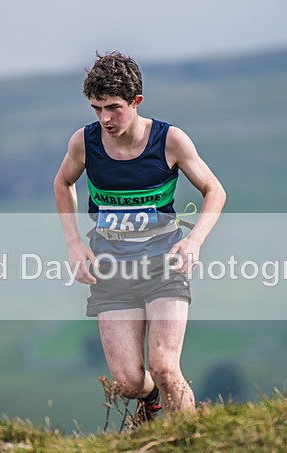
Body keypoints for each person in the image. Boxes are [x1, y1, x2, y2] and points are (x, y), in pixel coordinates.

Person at [53, 52, 226, 424]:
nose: (104, 118)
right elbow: (63, 182)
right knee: (130, 383)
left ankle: (191, 445)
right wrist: (73, 243)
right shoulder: (85, 143)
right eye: (97, 108)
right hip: (111, 268)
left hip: (164, 263)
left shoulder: (170, 140)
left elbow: (215, 190)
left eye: (113, 107)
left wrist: (193, 242)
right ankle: (150, 402)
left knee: (164, 367)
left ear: (136, 102)